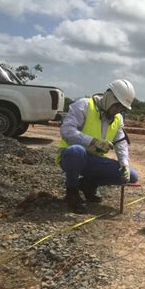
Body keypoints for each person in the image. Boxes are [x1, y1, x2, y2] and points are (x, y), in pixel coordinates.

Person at [56, 79, 138, 213]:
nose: (118, 111)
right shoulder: (84, 105)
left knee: (132, 176)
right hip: (71, 158)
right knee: (76, 151)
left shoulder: (118, 119)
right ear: (109, 97)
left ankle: (88, 184)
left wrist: (124, 164)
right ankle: (72, 192)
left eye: (122, 108)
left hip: (92, 161)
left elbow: (121, 143)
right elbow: (66, 130)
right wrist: (94, 141)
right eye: (117, 106)